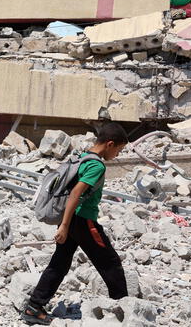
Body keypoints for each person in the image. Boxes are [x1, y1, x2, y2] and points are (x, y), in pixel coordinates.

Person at [21, 122, 130, 325]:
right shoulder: (96, 165)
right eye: (118, 150)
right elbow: (75, 194)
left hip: (71, 220)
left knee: (60, 263)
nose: (117, 154)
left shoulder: (80, 157)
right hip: (82, 221)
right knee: (110, 263)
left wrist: (64, 223)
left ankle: (34, 307)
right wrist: (63, 226)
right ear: (110, 144)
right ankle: (124, 308)